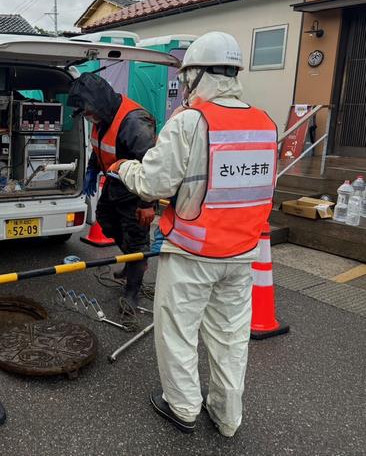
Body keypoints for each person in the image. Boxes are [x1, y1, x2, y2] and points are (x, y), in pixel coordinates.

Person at [108, 32, 278, 436]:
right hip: (241, 255)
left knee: (179, 332)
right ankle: (227, 416)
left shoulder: (191, 121)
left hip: (191, 253)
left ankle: (183, 407)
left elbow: (153, 182)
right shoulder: (265, 122)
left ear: (198, 74)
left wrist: (121, 169)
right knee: (231, 339)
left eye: (188, 77)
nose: (185, 86)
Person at [67, 73, 156, 309]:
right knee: (105, 220)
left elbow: (153, 167)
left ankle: (132, 292)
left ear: (99, 102)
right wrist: (91, 171)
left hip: (136, 190)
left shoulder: (134, 122)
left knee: (137, 241)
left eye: (87, 111)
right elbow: (100, 148)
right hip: (116, 183)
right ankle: (132, 262)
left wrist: (147, 204)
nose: (87, 117)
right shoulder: (102, 118)